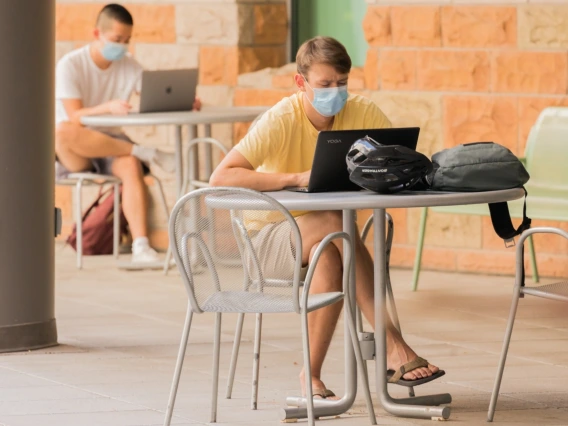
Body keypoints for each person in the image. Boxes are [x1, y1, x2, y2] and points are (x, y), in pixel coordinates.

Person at [210, 36, 442, 399]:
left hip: (323, 237)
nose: (335, 92)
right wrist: (294, 178)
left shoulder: (363, 112)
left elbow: (395, 160)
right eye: (325, 84)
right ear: (301, 83)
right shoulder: (281, 119)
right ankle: (394, 344)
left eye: (342, 83)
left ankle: (311, 376)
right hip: (267, 238)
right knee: (336, 223)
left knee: (332, 250)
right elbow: (221, 177)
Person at [55, 3, 201, 264]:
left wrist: (184, 99)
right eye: (117, 39)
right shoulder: (70, 65)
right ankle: (147, 152)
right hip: (76, 148)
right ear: (97, 34)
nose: (122, 46)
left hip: (113, 145)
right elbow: (75, 115)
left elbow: (151, 96)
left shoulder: (129, 65)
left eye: (127, 40)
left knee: (131, 166)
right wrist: (108, 107)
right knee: (62, 130)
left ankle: (141, 246)